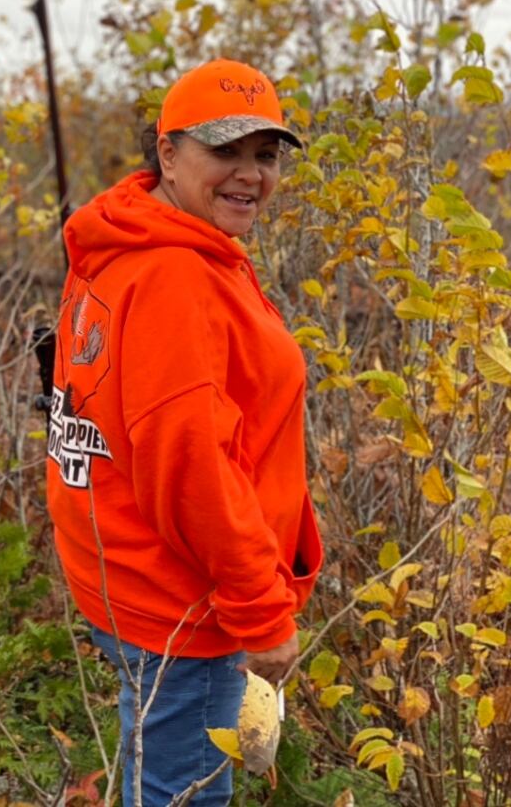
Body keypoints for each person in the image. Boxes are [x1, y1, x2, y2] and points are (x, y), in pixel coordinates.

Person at [46, 58, 323, 806]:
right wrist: (260, 613)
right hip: (185, 603)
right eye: (223, 151)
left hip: (130, 574)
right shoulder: (174, 273)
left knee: (156, 775)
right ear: (167, 154)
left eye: (264, 156)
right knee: (182, 793)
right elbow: (190, 463)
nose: (249, 175)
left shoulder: (131, 238)